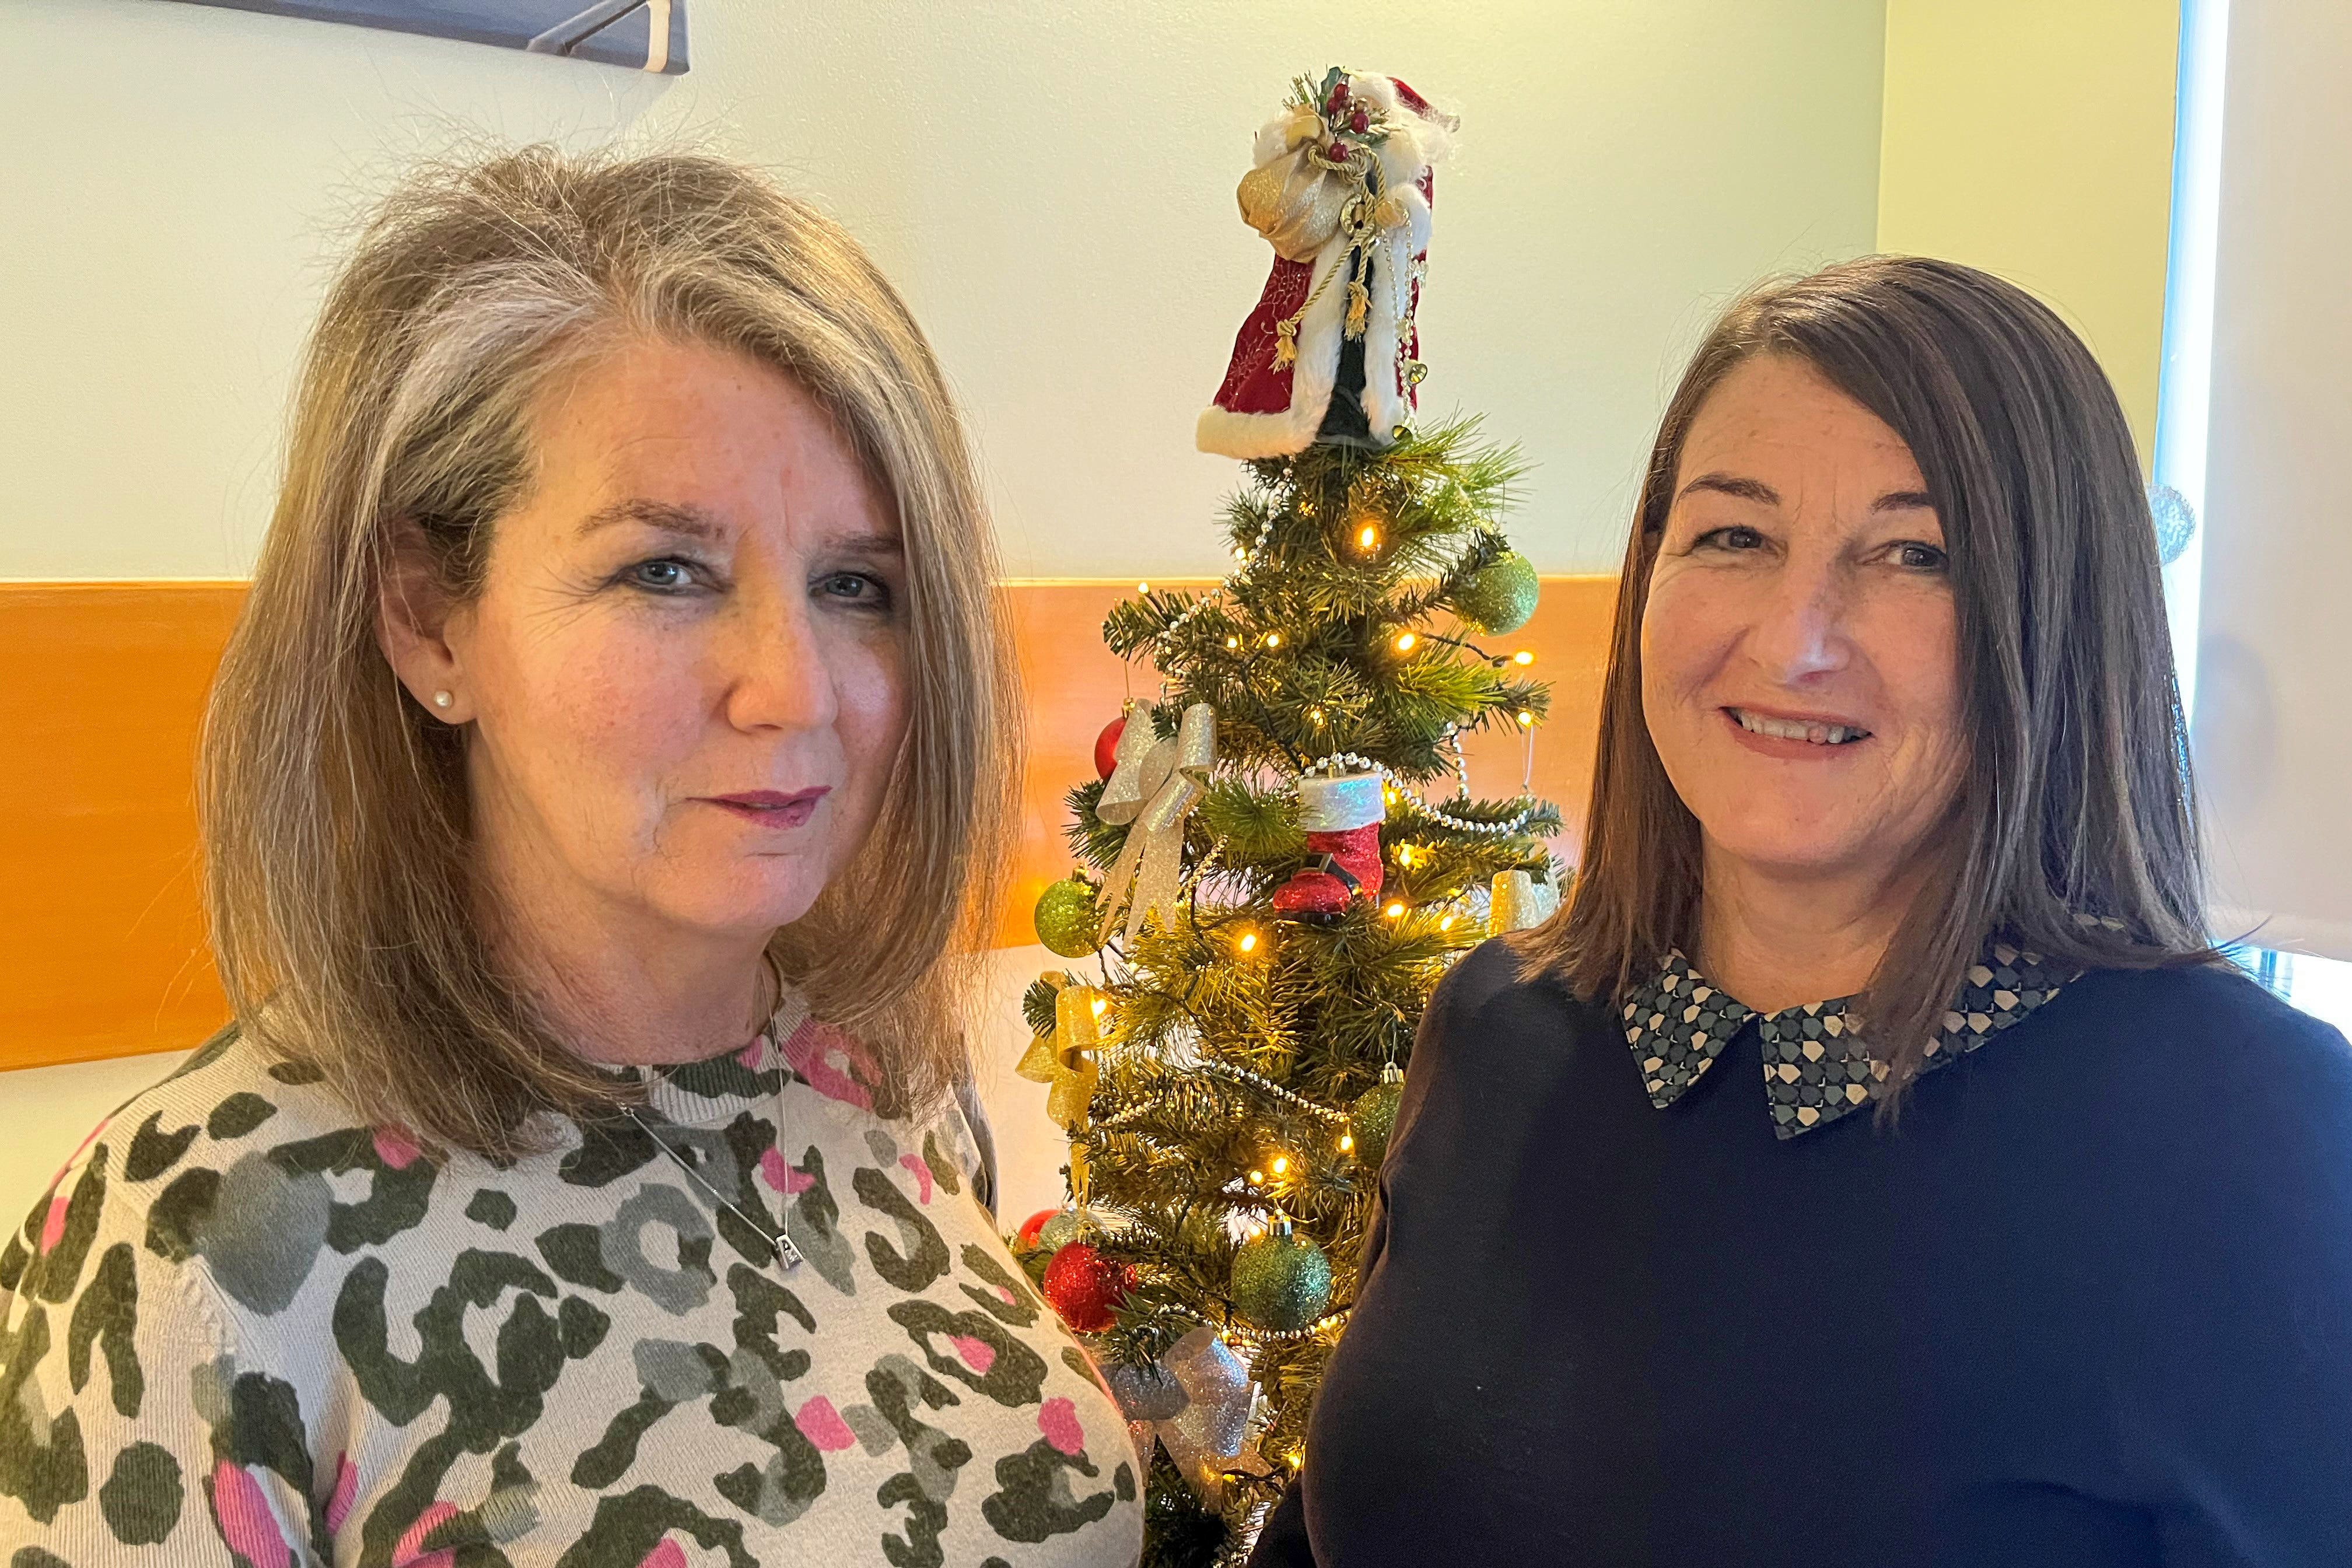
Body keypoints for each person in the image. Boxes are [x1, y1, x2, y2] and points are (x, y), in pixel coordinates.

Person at [0, 148, 1144, 1565]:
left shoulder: (885, 1067)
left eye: (859, 587)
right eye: (664, 571)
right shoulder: (196, 1239)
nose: (792, 687)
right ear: (430, 619)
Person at [1250, 257, 2352, 1565]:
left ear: (2052, 622)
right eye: (1734, 535)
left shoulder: (2251, 1131)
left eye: (1914, 553)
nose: (1792, 641)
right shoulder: (1495, 1026)